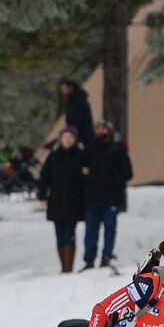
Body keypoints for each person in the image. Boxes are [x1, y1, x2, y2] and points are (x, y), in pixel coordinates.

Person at [81, 120, 133, 270]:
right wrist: (88, 180)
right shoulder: (90, 149)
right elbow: (82, 169)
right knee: (90, 230)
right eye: (98, 128)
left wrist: (112, 183)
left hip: (111, 198)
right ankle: (89, 259)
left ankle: (107, 256)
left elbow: (127, 173)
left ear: (109, 131)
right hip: (92, 198)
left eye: (103, 128)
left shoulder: (117, 149)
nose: (100, 131)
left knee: (109, 229)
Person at [38, 127, 87, 272]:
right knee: (59, 235)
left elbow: (86, 179)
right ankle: (63, 267)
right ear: (60, 139)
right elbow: (44, 177)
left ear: (75, 139)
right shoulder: (53, 156)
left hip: (74, 201)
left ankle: (68, 267)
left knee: (70, 234)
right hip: (56, 201)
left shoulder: (80, 155)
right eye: (65, 136)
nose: (68, 139)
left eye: (71, 137)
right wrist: (42, 195)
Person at [57, 79, 95, 149]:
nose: (63, 91)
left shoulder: (79, 101)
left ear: (71, 88)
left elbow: (78, 120)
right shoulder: (70, 102)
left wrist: (73, 134)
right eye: (62, 89)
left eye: (64, 88)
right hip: (75, 134)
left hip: (83, 136)